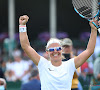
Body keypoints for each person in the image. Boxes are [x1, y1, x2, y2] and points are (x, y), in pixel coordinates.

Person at [19, 15, 98, 90]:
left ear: (62, 50)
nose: (55, 51)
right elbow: (26, 46)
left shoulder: (69, 65)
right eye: (52, 49)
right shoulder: (43, 64)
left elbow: (89, 51)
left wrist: (94, 30)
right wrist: (22, 26)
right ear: (47, 52)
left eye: (58, 48)